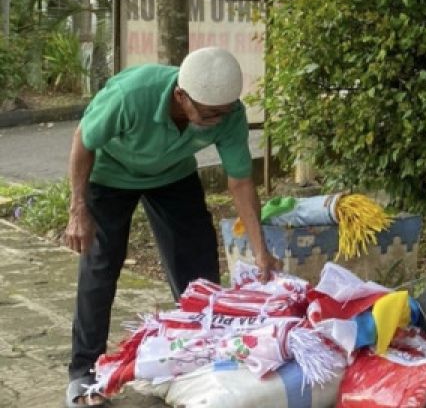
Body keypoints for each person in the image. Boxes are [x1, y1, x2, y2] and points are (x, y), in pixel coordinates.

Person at [63, 46, 280, 407]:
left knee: (199, 270)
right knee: (100, 267)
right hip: (110, 174)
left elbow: (240, 181)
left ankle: (200, 357)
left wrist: (261, 252)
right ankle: (84, 372)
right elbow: (83, 140)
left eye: (224, 113)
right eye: (209, 114)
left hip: (172, 176)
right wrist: (77, 208)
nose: (217, 120)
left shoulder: (227, 113)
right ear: (181, 96)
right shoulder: (131, 96)